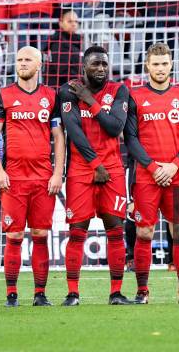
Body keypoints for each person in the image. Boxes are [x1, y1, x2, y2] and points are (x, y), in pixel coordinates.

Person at [0, 47, 65, 307]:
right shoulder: (4, 95)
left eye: (27, 60)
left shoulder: (50, 96)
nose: (22, 63)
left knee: (41, 234)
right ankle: (11, 294)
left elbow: (58, 137)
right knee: (14, 236)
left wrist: (57, 173)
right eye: (19, 59)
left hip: (43, 178)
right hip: (14, 179)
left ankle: (40, 294)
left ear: (39, 64)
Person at [124, 43, 179, 304]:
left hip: (176, 175)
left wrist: (174, 165)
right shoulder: (134, 96)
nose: (160, 68)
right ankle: (142, 292)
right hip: (146, 176)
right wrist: (155, 167)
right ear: (147, 66)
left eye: (164, 63)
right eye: (155, 64)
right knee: (144, 232)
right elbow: (130, 138)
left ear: (171, 65)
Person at [58, 45, 132, 306]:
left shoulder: (119, 90)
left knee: (115, 230)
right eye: (95, 64)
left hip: (111, 170)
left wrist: (90, 100)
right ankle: (72, 293)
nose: (101, 69)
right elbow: (73, 130)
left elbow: (115, 128)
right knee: (77, 231)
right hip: (81, 170)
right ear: (84, 67)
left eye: (104, 64)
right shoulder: (67, 90)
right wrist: (94, 163)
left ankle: (116, 292)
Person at [44, 10, 82, 89]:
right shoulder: (57, 42)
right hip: (60, 88)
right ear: (60, 23)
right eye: (69, 21)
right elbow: (62, 71)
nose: (73, 24)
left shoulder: (78, 40)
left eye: (76, 21)